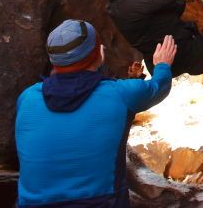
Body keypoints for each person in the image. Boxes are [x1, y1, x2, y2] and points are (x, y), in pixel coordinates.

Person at [15, 20, 177, 207]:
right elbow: (159, 87)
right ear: (99, 53)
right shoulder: (121, 94)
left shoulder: (27, 98)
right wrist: (163, 65)